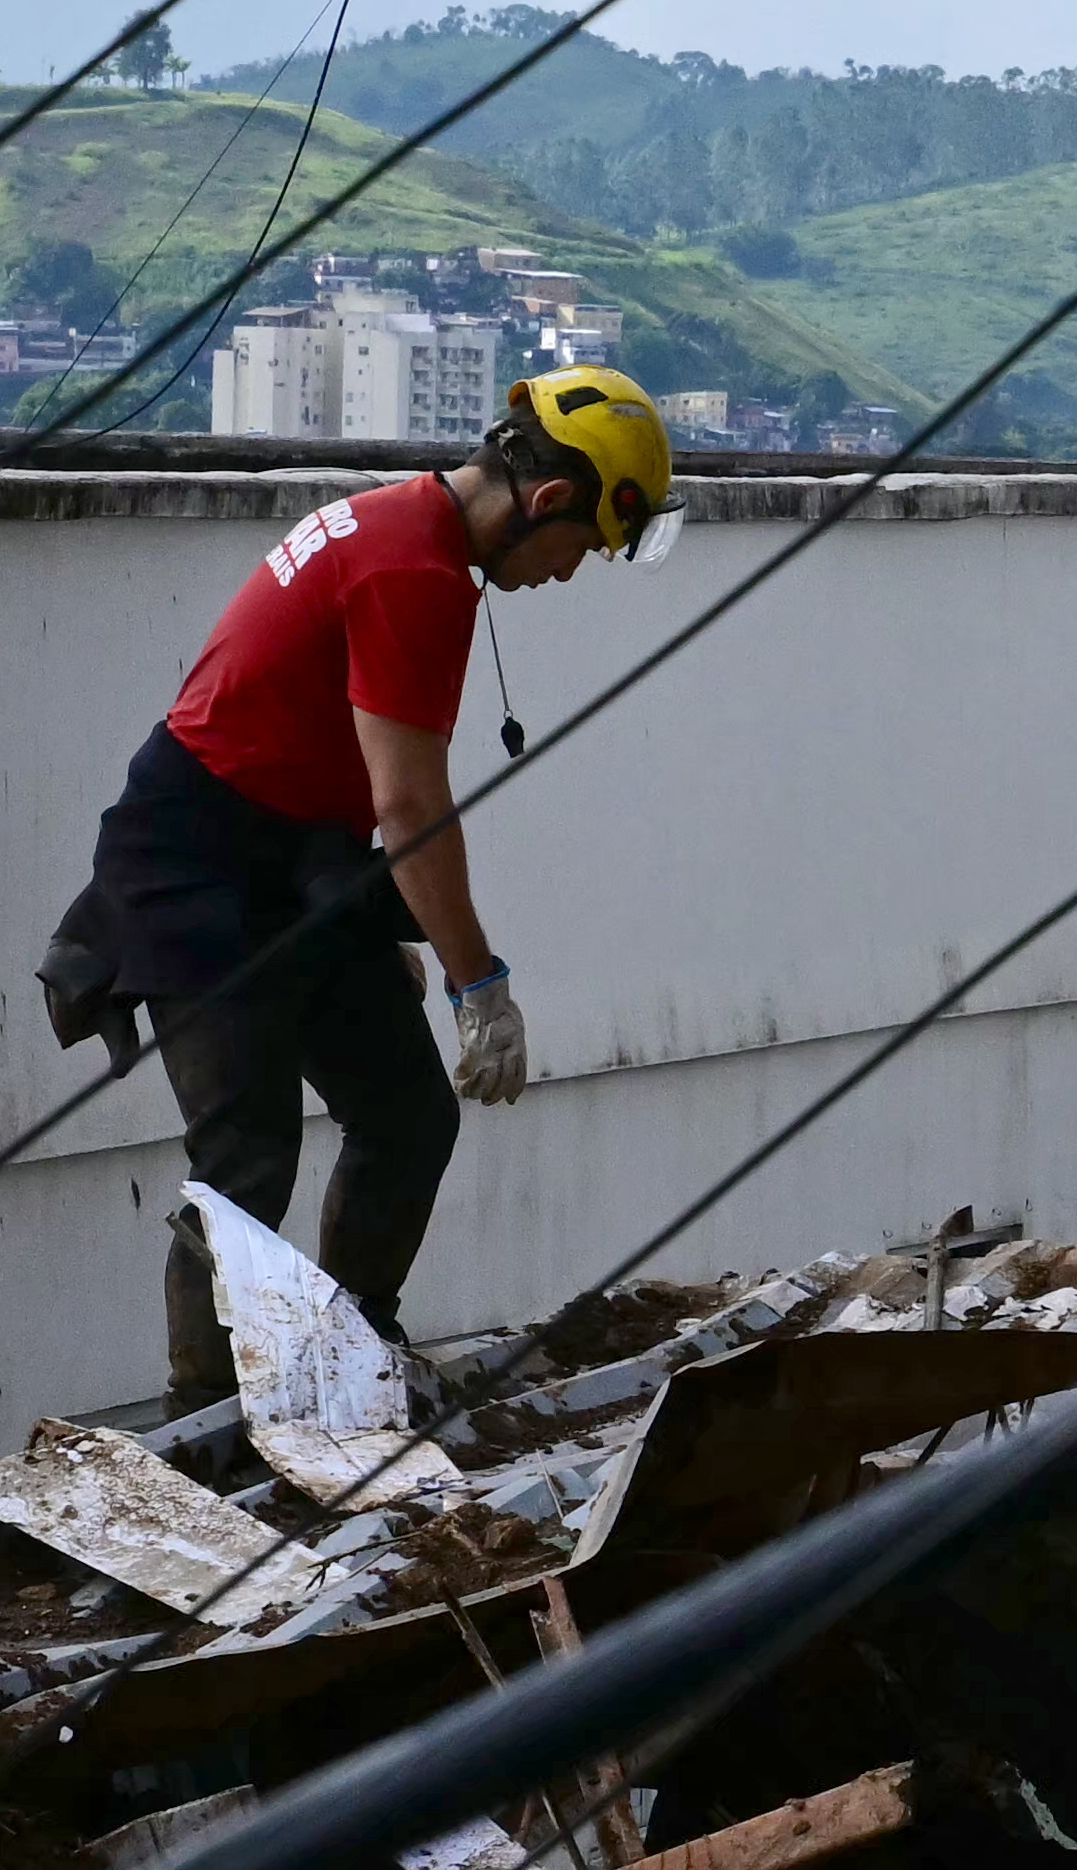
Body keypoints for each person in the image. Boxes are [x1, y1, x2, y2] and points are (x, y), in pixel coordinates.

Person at [91, 369, 672, 1414]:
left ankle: (352, 1355)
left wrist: (365, 917)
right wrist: (478, 985)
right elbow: (411, 810)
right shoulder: (415, 571)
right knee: (246, 1158)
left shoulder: (404, 524)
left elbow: (348, 769)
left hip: (296, 857)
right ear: (545, 501)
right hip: (194, 866)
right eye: (580, 546)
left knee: (406, 1113)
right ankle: (207, 1419)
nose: (567, 572)